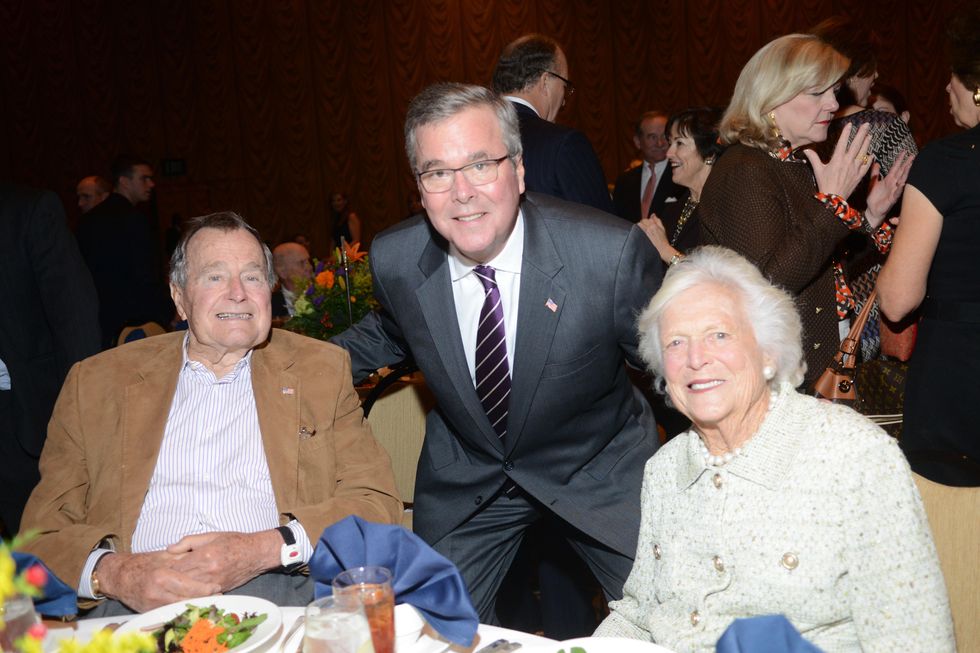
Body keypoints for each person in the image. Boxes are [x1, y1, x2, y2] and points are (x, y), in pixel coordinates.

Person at [331, 82, 662, 623]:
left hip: (597, 471)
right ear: (419, 187)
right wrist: (278, 371)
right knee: (426, 632)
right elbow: (391, 334)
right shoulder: (396, 257)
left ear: (520, 170)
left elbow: (674, 367)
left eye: (481, 164)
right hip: (472, 475)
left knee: (671, 618)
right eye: (438, 172)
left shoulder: (607, 255)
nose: (462, 192)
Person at [20, 211, 402, 615]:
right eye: (214, 277)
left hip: (278, 595)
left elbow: (376, 505)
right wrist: (117, 575)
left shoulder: (318, 372)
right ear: (179, 297)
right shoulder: (97, 384)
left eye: (253, 276)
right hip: (131, 609)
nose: (238, 292)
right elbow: (38, 536)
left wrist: (263, 548)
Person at [595, 246, 955, 651]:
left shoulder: (853, 457)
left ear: (767, 351)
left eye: (719, 335)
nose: (696, 359)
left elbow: (916, 642)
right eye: (676, 343)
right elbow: (640, 617)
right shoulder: (664, 470)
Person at [698, 34, 912, 389]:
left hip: (809, 371)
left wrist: (869, 217)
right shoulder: (746, 169)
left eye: (834, 92)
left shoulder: (787, 163)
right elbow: (767, 282)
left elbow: (819, 268)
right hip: (777, 381)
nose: (832, 105)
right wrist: (832, 205)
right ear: (771, 97)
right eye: (817, 93)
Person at [878, 7, 980, 485]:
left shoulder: (945, 162)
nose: (945, 89)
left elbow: (898, 299)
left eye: (953, 77)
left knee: (958, 548)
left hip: (961, 381)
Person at [0, 183, 100, 537]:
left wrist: (80, 414)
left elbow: (75, 317)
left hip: (23, 417)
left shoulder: (26, 211)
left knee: (41, 546)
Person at [492, 34, 614, 213]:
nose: (564, 100)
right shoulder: (564, 144)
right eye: (565, 86)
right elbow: (604, 228)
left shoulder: (468, 135)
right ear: (546, 81)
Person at [76, 155, 174, 349]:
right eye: (144, 178)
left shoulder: (89, 220)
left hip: (100, 320)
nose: (151, 184)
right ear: (124, 182)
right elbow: (145, 274)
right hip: (137, 322)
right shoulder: (134, 219)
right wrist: (167, 311)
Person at [638, 107, 724, 265]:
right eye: (671, 143)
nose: (669, 153)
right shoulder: (675, 208)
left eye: (679, 143)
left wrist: (666, 251)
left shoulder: (726, 208)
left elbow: (718, 279)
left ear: (709, 153)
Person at [613, 111, 683, 223]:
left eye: (665, 136)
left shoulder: (682, 177)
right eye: (652, 137)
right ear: (637, 142)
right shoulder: (624, 182)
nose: (660, 143)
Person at [272, 241, 313, 317]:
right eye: (302, 263)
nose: (309, 267)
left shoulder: (324, 298)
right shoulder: (270, 306)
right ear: (282, 272)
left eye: (308, 261)